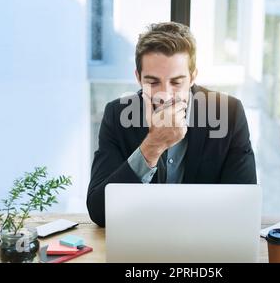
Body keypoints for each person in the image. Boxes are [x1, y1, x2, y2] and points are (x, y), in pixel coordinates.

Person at [87, 22, 257, 227]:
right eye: (153, 82)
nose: (165, 95)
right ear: (138, 78)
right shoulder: (117, 115)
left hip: (203, 243)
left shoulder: (229, 114)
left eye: (176, 82)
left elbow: (242, 207)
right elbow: (98, 211)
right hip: (140, 242)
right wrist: (152, 146)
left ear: (193, 77)